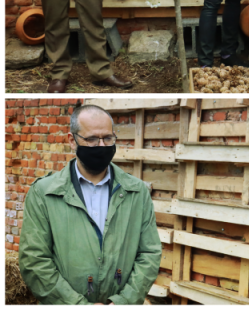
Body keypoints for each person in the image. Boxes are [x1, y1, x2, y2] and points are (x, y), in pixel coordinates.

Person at [20, 105, 161, 304]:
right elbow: (34, 260)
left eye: (108, 138)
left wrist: (123, 302)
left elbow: (149, 253)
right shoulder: (44, 193)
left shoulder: (136, 191)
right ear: (72, 141)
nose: (102, 146)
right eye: (92, 139)